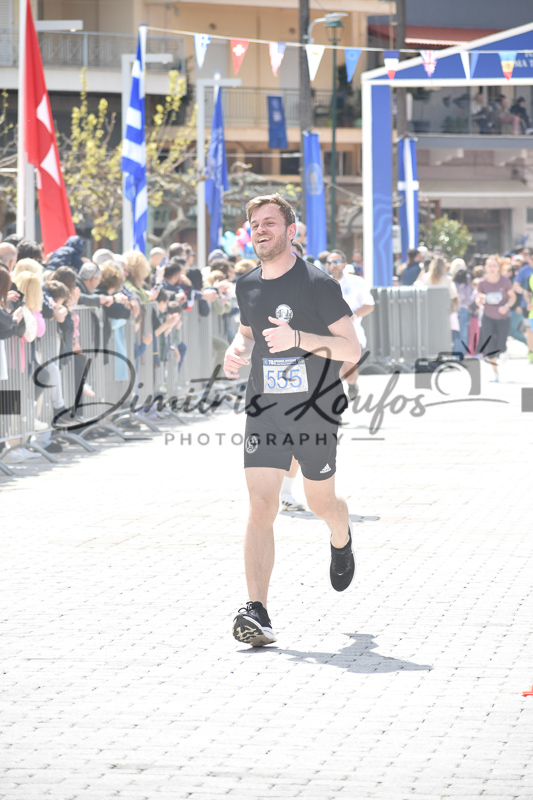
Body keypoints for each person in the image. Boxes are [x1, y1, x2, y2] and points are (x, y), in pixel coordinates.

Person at [224, 193, 360, 647]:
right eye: (255, 224)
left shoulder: (318, 284)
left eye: (270, 222)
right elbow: (246, 335)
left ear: (290, 230)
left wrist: (298, 337)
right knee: (262, 505)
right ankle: (257, 611)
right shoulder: (247, 285)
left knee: (321, 503)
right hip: (265, 409)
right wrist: (235, 351)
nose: (261, 230)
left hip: (315, 409)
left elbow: (351, 349)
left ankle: (341, 534)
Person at [325, 249, 374, 400]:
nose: (334, 265)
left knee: (349, 373)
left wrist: (355, 315)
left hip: (352, 334)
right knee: (332, 371)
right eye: (331, 262)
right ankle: (334, 401)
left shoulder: (356, 282)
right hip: (328, 335)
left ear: (345, 264)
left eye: (337, 262)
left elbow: (369, 305)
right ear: (326, 265)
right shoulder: (321, 283)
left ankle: (352, 385)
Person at [475, 255, 516, 382]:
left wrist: (506, 306)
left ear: (498, 268)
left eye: (494, 266)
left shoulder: (505, 281)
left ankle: (504, 351)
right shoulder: (482, 283)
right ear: (486, 268)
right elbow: (478, 299)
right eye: (489, 266)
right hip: (488, 316)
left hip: (503, 317)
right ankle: (495, 374)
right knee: (490, 346)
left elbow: (512, 297)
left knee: (501, 345)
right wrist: (480, 302)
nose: (492, 268)